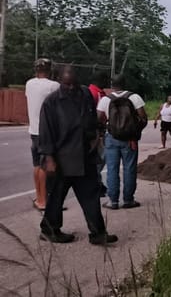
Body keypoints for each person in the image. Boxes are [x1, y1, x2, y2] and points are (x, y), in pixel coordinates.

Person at [37, 65, 118, 245]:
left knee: (91, 196)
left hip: (85, 156)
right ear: (59, 82)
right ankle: (49, 229)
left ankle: (98, 233)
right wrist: (49, 158)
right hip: (61, 158)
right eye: (67, 85)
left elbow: (91, 120)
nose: (71, 88)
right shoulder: (51, 102)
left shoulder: (85, 94)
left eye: (74, 83)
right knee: (56, 197)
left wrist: (96, 136)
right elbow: (45, 132)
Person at [97, 74, 147, 210]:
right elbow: (143, 118)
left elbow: (99, 118)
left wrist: (103, 132)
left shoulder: (106, 99)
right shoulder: (134, 97)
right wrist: (134, 132)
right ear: (125, 83)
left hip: (111, 138)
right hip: (130, 139)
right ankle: (128, 200)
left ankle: (113, 201)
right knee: (129, 168)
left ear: (112, 84)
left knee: (112, 169)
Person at [25, 58, 60, 211]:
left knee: (37, 165)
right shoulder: (54, 86)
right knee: (47, 167)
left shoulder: (29, 83)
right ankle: (44, 201)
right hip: (47, 131)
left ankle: (39, 198)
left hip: (33, 130)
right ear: (50, 70)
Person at [88, 70, 108, 197]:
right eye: (105, 79)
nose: (107, 82)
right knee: (100, 158)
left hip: (99, 130)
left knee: (100, 158)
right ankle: (95, 184)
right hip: (96, 132)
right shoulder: (93, 93)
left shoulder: (100, 93)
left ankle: (97, 183)